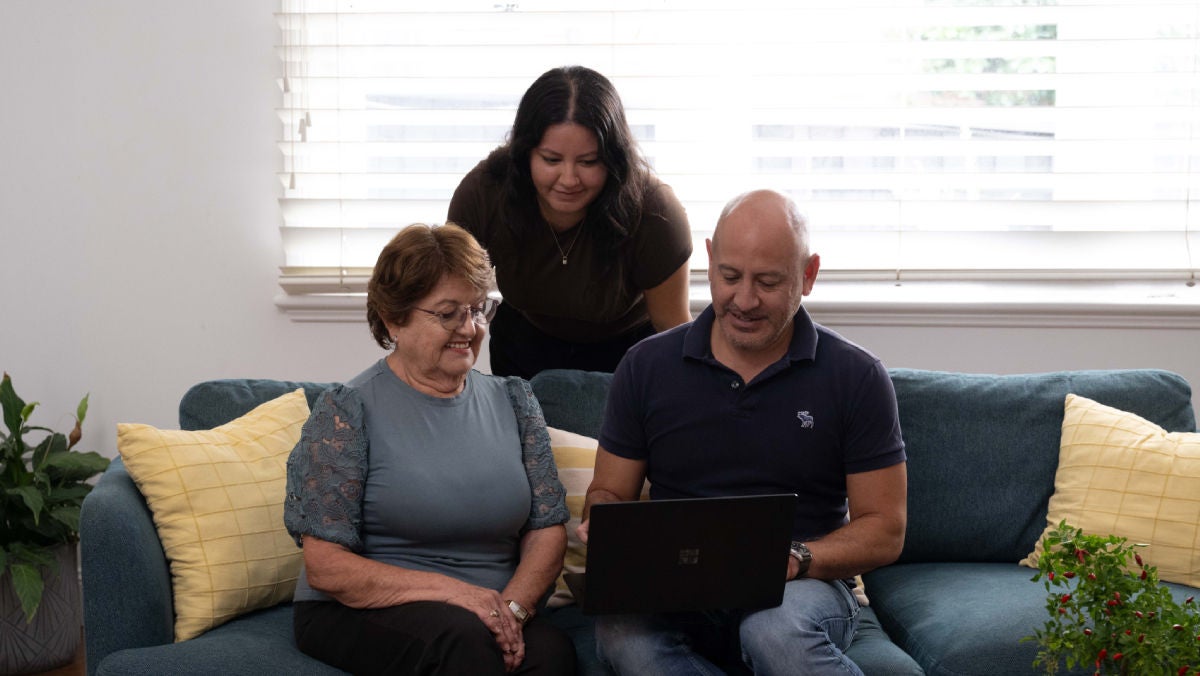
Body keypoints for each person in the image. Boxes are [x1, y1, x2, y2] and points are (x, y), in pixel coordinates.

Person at [578, 190, 908, 675]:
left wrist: (797, 557)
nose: (745, 300)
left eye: (769, 282)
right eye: (729, 277)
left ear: (808, 275)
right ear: (709, 261)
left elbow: (886, 530)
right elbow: (608, 490)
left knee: (774, 631)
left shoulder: (855, 376)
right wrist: (606, 525)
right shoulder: (646, 365)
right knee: (622, 635)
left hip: (800, 586)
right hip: (675, 584)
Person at [284, 223, 576, 675]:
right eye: (448, 314)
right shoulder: (347, 411)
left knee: (552, 654)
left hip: (491, 611)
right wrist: (459, 594)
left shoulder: (515, 401)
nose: (470, 328)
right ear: (393, 318)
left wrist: (512, 611)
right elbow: (326, 568)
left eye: (479, 310)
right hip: (362, 609)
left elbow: (547, 529)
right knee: (462, 644)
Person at [448, 65, 693, 379]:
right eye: (551, 160)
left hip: (627, 354)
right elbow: (449, 308)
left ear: (613, 158)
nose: (569, 179)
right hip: (524, 345)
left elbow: (673, 335)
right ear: (525, 154)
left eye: (589, 162)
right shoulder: (484, 192)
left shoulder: (655, 212)